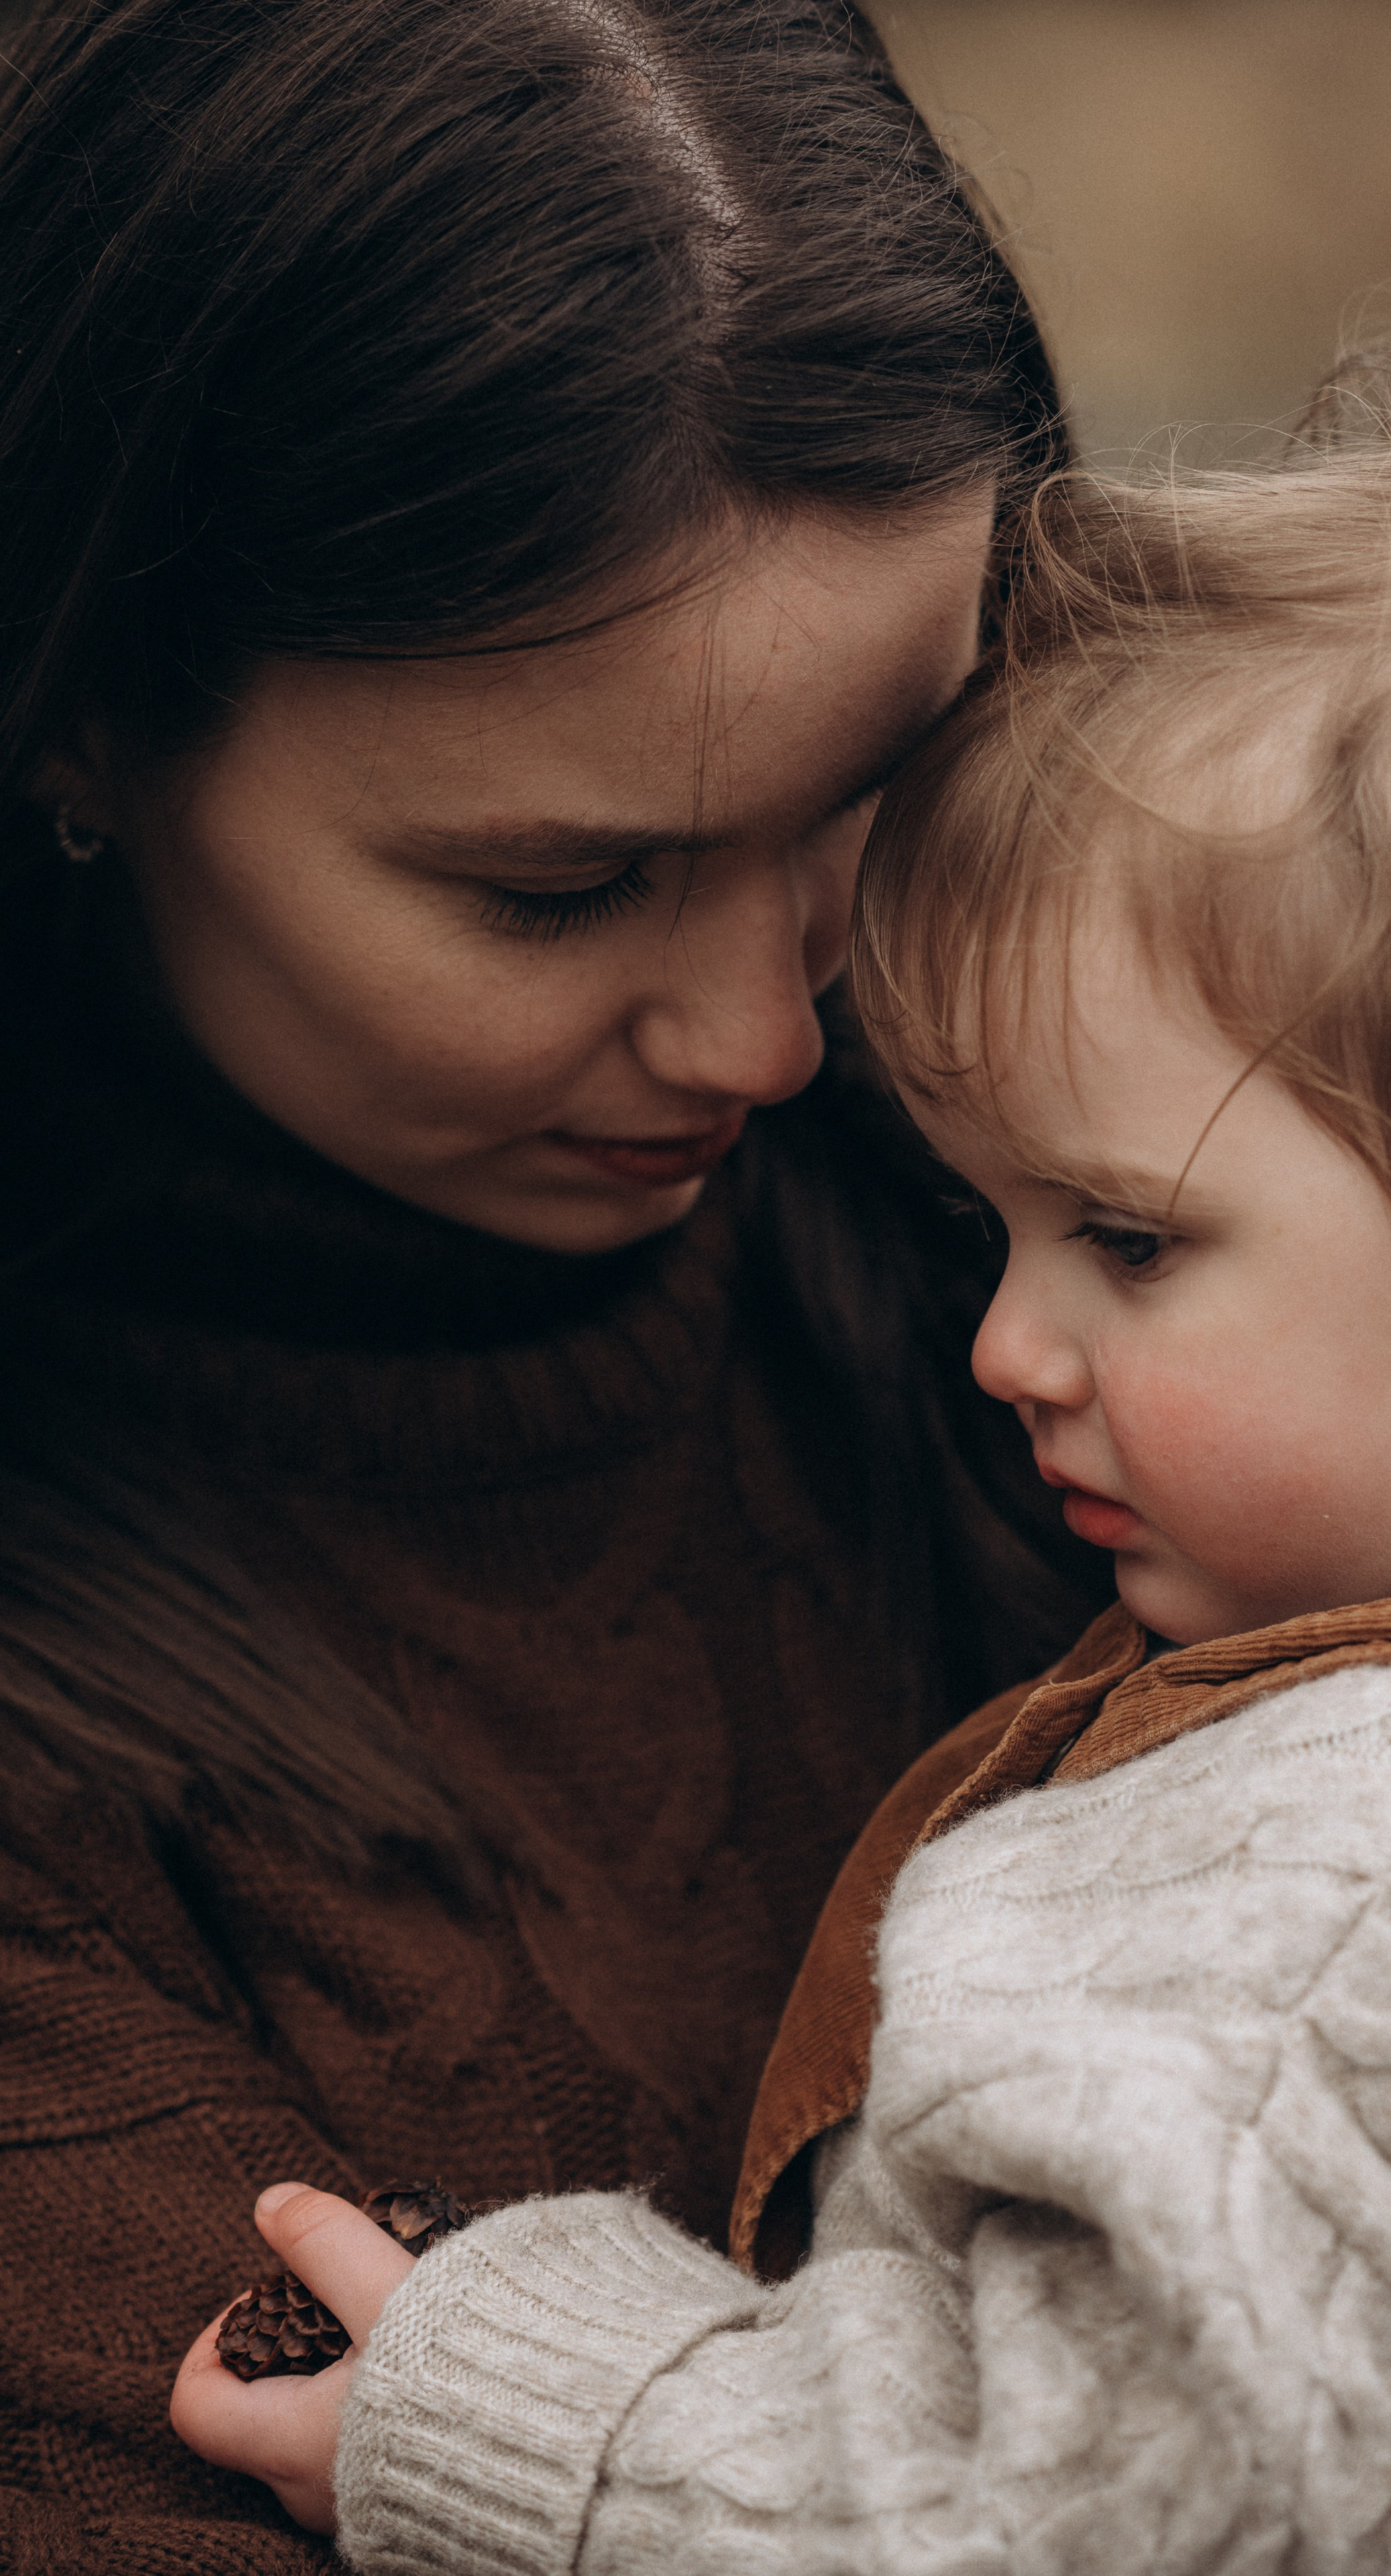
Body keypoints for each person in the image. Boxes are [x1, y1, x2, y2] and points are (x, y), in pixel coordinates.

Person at [176, 283, 1391, 2573]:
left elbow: (1117, 2514)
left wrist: (549, 2419)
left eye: (1126, 1235)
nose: (1003, 1343)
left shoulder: (1382, 1858)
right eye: (990, 1224)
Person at [0, 3, 1110, 2567]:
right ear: (70, 722)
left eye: (883, 795)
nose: (768, 1033)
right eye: (555, 889)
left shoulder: (1146, 1157)